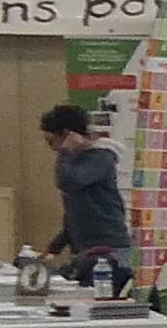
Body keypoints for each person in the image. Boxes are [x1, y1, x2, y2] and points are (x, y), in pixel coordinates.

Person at [34, 105, 134, 293]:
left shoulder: (100, 157)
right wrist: (54, 248)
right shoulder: (76, 160)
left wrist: (65, 151)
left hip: (109, 249)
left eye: (50, 140)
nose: (51, 148)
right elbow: (75, 213)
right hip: (84, 249)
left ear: (66, 135)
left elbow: (67, 182)